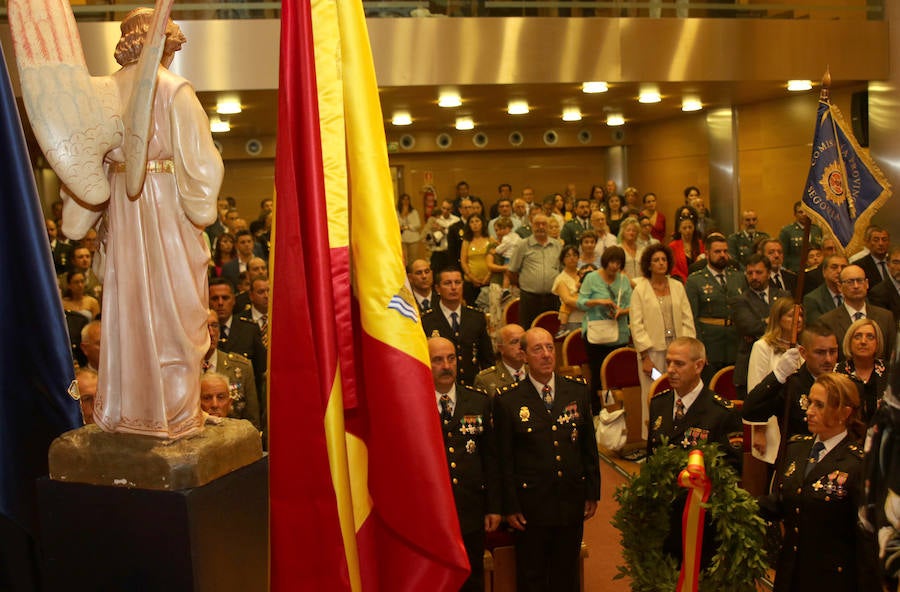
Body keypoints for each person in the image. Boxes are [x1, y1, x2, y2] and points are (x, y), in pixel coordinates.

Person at [47, 8, 225, 438]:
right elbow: (201, 168)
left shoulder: (102, 93)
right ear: (163, 43)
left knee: (132, 312)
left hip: (124, 217)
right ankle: (176, 414)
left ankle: (132, 410)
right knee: (174, 313)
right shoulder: (175, 91)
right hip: (166, 213)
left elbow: (84, 168)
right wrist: (200, 213)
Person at [493, 328, 600, 592]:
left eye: (550, 347)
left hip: (570, 499)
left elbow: (588, 445)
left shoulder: (576, 390)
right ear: (524, 355)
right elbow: (503, 459)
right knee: (533, 576)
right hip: (531, 506)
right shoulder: (508, 400)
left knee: (567, 574)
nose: (546, 355)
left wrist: (592, 491)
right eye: (537, 349)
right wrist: (510, 505)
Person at [762, 372, 878, 592]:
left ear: (844, 413)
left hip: (832, 580)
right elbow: (784, 501)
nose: (809, 411)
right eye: (809, 402)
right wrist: (738, 505)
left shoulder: (857, 464)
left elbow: (866, 541)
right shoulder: (797, 447)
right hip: (791, 574)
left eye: (819, 405)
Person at [428, 337, 500, 592]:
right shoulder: (415, 403)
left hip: (471, 508)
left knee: (472, 576)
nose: (446, 365)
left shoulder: (478, 400)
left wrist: (493, 506)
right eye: (437, 360)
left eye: (451, 358)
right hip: (432, 512)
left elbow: (490, 458)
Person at [646, 337, 743, 470]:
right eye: (668, 362)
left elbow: (731, 471)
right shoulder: (658, 403)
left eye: (679, 364)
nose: (670, 370)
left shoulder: (722, 412)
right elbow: (651, 460)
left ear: (698, 366)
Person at [630, 244, 696, 438]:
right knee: (654, 393)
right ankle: (653, 437)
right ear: (649, 265)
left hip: (678, 350)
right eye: (656, 260)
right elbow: (636, 324)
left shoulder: (677, 287)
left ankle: (680, 433)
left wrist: (689, 348)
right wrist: (645, 356)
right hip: (653, 353)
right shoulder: (640, 290)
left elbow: (687, 318)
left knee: (681, 390)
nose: (661, 263)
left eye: (664, 260)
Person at [743, 323, 839, 445]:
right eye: (820, 352)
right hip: (796, 460)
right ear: (803, 353)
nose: (828, 359)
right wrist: (778, 375)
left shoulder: (845, 386)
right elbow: (750, 412)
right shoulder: (791, 385)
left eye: (833, 351)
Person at [578, 246, 632, 413]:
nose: (614, 266)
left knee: (616, 376)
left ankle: (615, 411)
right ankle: (598, 412)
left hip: (618, 334)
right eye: (611, 262)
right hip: (596, 335)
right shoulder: (591, 278)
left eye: (618, 263)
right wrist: (599, 302)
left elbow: (633, 306)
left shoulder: (624, 280)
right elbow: (581, 302)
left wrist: (621, 312)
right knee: (599, 376)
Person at [685, 234, 744, 384]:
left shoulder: (738, 277)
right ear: (707, 254)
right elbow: (691, 317)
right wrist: (699, 349)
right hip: (711, 344)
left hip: (734, 343)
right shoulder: (695, 280)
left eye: (725, 251)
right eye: (717, 252)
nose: (722, 255)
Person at [421, 267, 493, 386]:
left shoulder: (476, 317)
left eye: (457, 282)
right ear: (438, 288)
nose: (453, 287)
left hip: (472, 387)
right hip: (440, 386)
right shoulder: (426, 320)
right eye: (448, 283)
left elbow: (487, 359)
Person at [731, 254, 790, 396]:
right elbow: (749, 327)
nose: (754, 277)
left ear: (769, 273)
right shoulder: (739, 300)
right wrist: (777, 322)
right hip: (750, 365)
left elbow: (790, 324)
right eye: (750, 273)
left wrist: (765, 321)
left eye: (759, 272)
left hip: (781, 362)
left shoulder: (783, 295)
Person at [818, 264, 895, 363]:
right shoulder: (827, 321)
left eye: (859, 281)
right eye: (850, 282)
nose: (856, 286)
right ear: (840, 287)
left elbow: (892, 357)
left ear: (867, 284)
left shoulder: (886, 317)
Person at [202, 309, 261, 430]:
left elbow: (252, 423)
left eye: (214, 326)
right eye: (204, 326)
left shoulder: (241, 367)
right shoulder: (180, 371)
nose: (211, 333)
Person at [508, 214, 562, 330]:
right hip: (529, 299)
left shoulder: (557, 245)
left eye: (544, 224)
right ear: (532, 226)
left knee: (552, 330)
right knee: (529, 331)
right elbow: (512, 271)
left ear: (548, 227)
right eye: (537, 224)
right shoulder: (522, 245)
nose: (541, 227)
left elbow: (561, 270)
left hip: (553, 298)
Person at [835, 318, 888, 424]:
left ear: (877, 343)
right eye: (857, 336)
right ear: (849, 342)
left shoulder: (891, 373)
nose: (863, 341)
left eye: (870, 337)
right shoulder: (836, 373)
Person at [746, 297, 804, 393]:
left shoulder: (802, 349)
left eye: (801, 315)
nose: (799, 319)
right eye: (791, 315)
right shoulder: (762, 346)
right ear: (778, 319)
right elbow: (754, 390)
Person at [474, 323, 527, 396]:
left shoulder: (535, 371)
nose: (521, 346)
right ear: (501, 348)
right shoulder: (485, 379)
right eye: (514, 342)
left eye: (523, 341)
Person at [777, 201, 823, 273]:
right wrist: (785, 270)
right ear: (795, 214)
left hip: (816, 270)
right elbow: (783, 253)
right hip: (795, 270)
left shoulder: (817, 230)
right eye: (800, 212)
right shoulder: (787, 231)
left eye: (806, 212)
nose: (804, 214)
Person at [459, 213, 493, 309]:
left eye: (477, 221)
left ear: (482, 223)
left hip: (489, 280)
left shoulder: (490, 240)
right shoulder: (466, 241)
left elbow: (497, 260)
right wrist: (472, 277)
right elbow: (463, 261)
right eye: (472, 222)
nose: (475, 224)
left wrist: (489, 276)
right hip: (471, 282)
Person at [803, 254, 848, 324]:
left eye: (843, 267)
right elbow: (819, 328)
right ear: (824, 272)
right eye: (834, 267)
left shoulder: (855, 295)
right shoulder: (812, 299)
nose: (839, 271)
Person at [552, 246, 587, 337]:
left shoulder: (584, 273)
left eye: (575, 255)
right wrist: (588, 304)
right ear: (563, 259)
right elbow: (567, 300)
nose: (572, 258)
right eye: (568, 256)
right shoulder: (561, 279)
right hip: (572, 320)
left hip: (589, 318)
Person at [669, 215, 704, 283]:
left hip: (700, 280)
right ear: (679, 229)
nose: (688, 230)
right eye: (684, 228)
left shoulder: (700, 244)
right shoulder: (673, 246)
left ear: (694, 228)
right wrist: (686, 280)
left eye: (690, 227)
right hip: (681, 281)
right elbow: (673, 268)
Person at [869, 244, 900, 313]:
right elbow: (883, 321)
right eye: (895, 262)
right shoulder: (878, 293)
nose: (899, 267)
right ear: (888, 264)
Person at [397, 192, 421, 264]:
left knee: (413, 260)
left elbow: (417, 225)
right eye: (404, 199)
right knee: (403, 260)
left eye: (407, 199)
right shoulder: (397, 212)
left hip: (413, 239)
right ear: (400, 201)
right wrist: (403, 215)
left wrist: (407, 227)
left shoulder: (414, 212)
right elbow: (398, 225)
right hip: (402, 239)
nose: (405, 201)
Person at [618, 217, 644, 282]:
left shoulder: (642, 249)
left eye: (634, 231)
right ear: (623, 232)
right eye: (628, 230)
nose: (631, 233)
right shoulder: (618, 249)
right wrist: (632, 284)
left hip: (641, 284)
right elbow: (619, 270)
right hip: (624, 284)